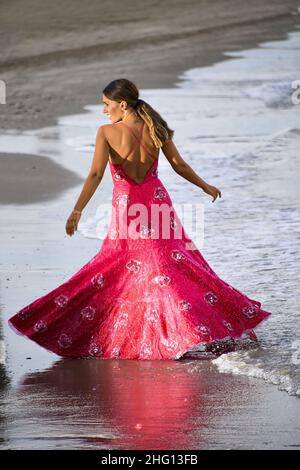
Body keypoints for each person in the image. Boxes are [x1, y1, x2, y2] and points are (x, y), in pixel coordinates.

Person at [8, 78, 272, 360]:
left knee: (117, 265)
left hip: (127, 206)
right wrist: (204, 185)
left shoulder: (107, 132)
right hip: (157, 202)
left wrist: (77, 210)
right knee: (173, 263)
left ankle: (152, 334)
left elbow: (96, 175)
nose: (104, 110)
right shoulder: (156, 128)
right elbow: (179, 165)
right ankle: (188, 329)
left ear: (122, 104)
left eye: (106, 104)